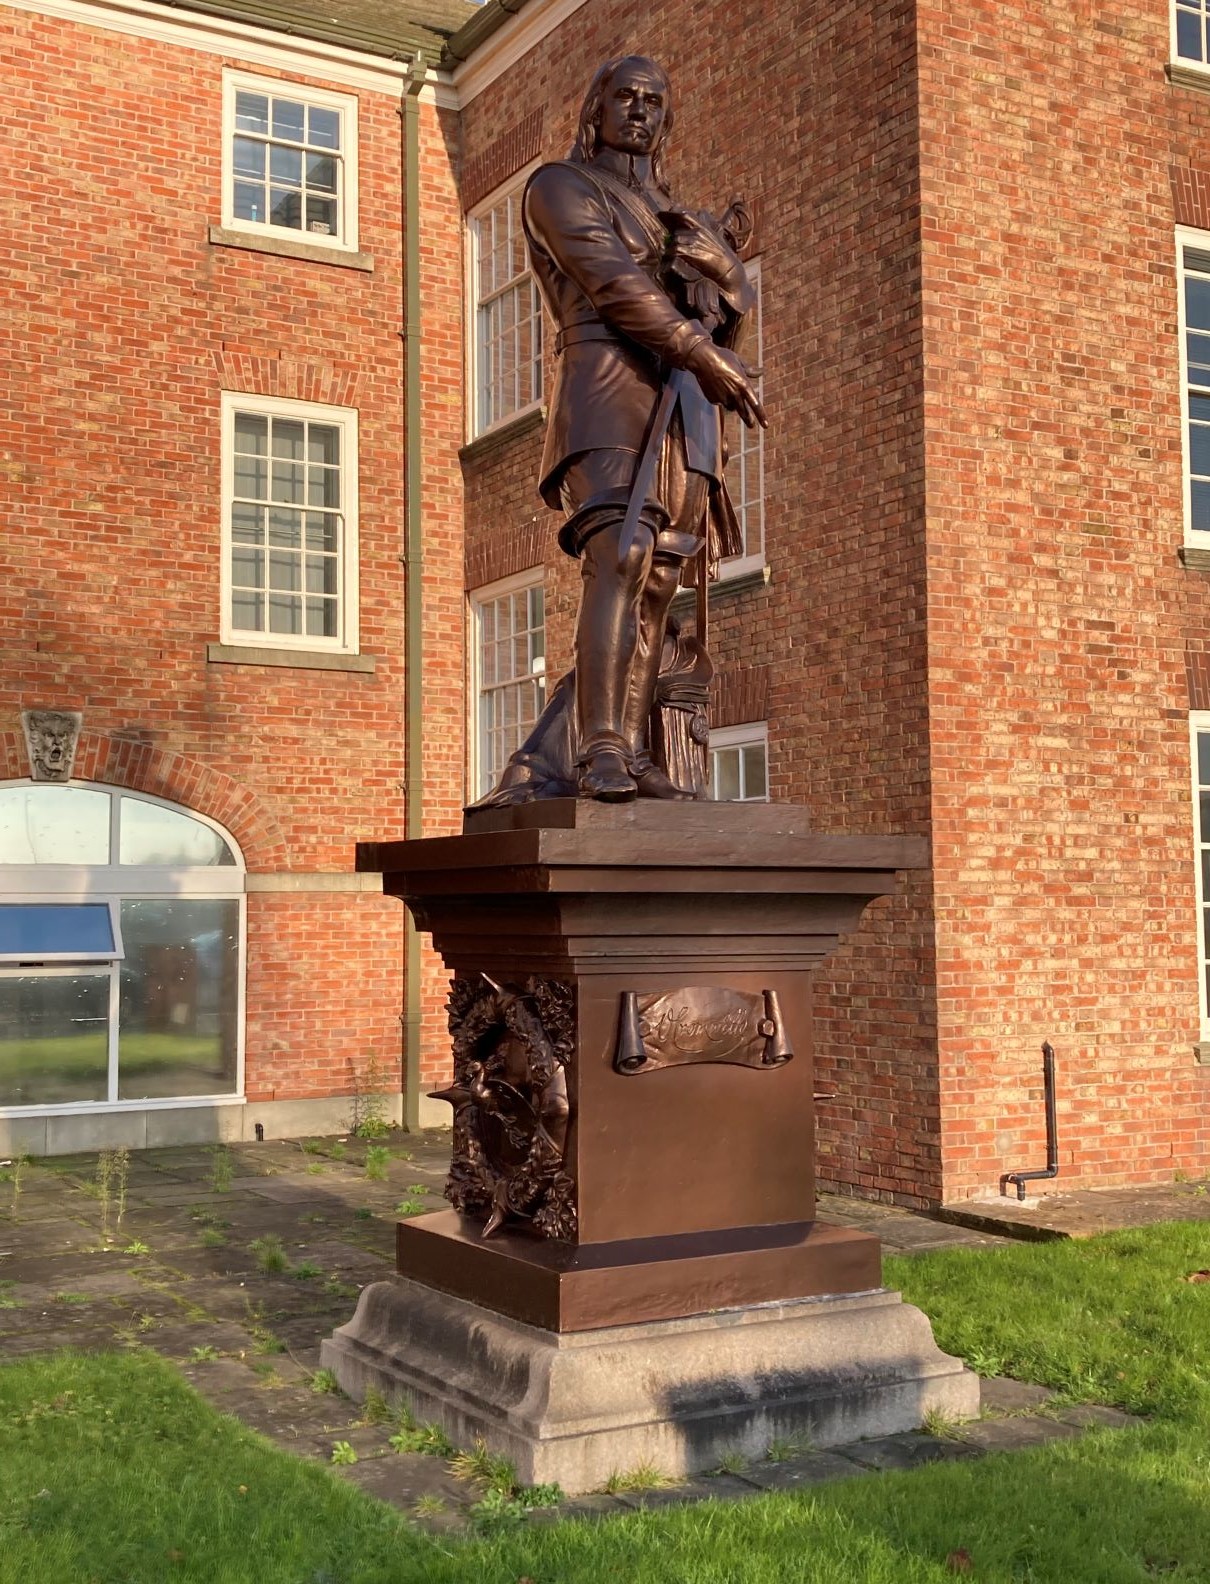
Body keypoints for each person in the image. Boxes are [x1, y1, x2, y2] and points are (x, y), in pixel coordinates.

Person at [514, 54, 766, 802]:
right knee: (620, 551)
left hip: (685, 402)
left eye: (654, 101)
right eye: (623, 96)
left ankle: (634, 746)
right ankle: (597, 750)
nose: (639, 110)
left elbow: (722, 329)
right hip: (606, 386)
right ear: (595, 108)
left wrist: (732, 278)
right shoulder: (560, 186)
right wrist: (699, 349)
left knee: (661, 579)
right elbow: (613, 284)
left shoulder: (681, 220)